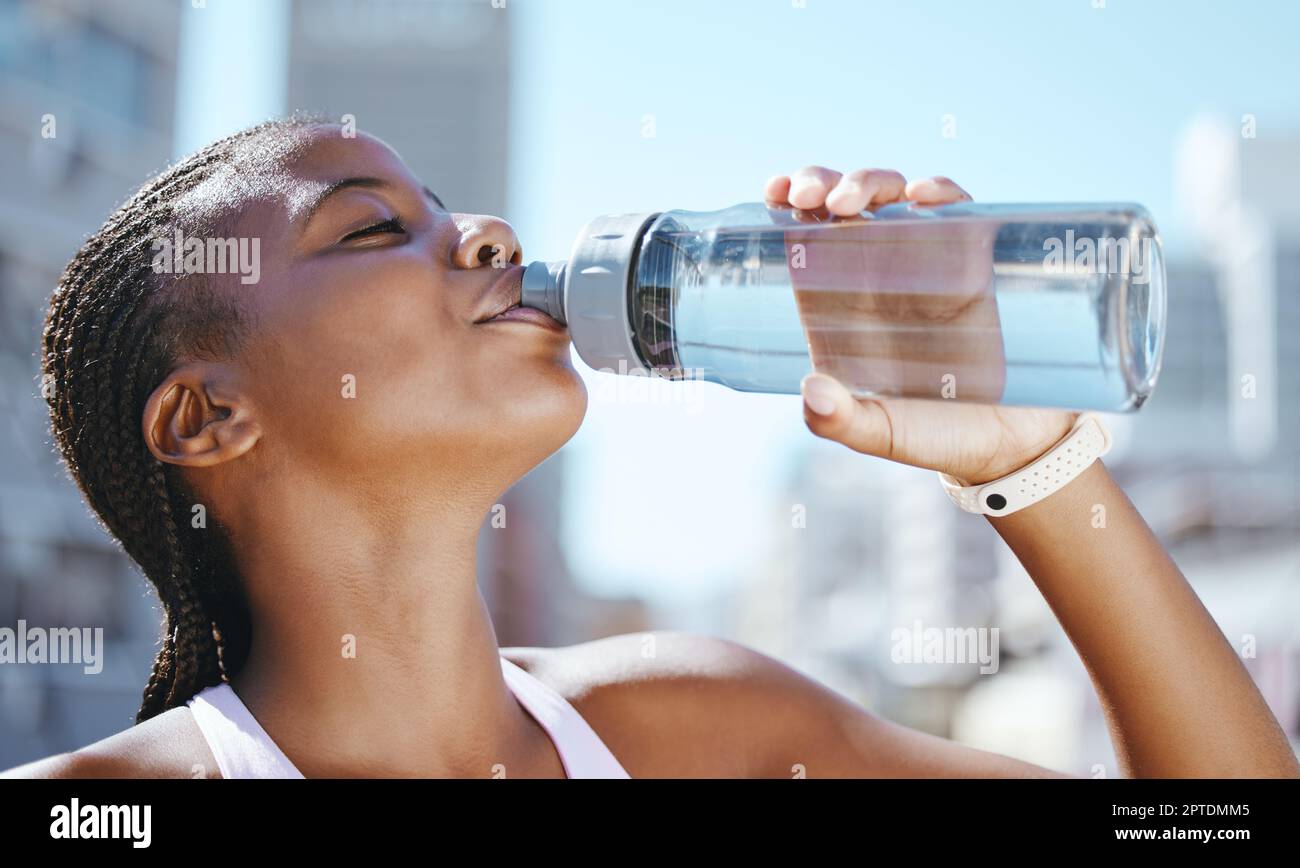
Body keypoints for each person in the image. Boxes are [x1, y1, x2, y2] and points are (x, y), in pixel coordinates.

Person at [4, 119, 1296, 778]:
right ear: (207, 417)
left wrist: (1033, 464)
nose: (492, 235)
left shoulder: (700, 727)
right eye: (366, 229)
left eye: (452, 209)